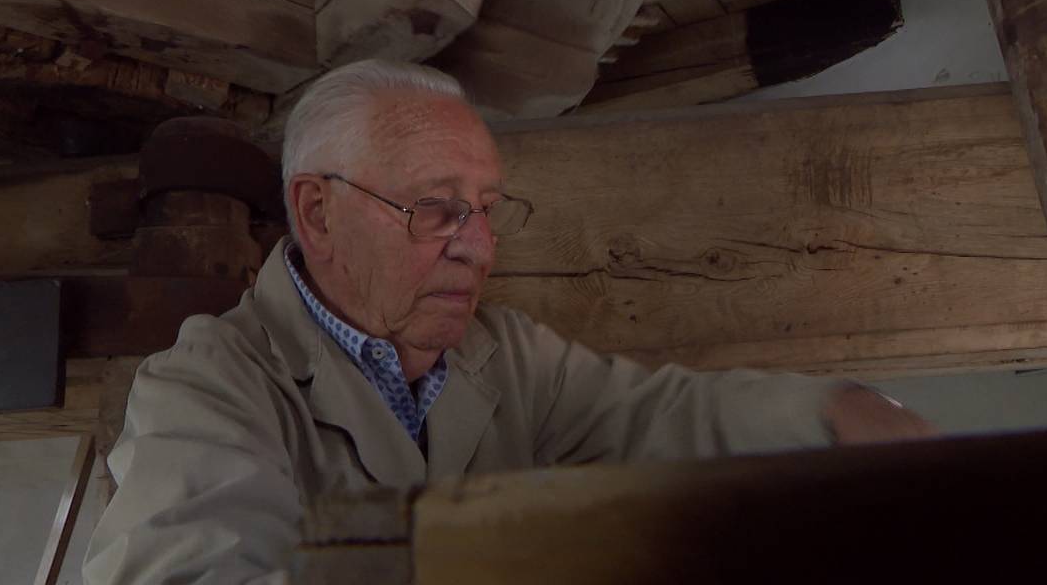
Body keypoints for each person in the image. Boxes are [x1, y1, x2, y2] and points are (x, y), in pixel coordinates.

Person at [83, 60, 932, 584]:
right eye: (437, 210)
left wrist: (833, 414)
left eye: (487, 210)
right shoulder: (207, 387)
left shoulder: (508, 355)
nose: (479, 248)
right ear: (318, 213)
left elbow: (665, 416)